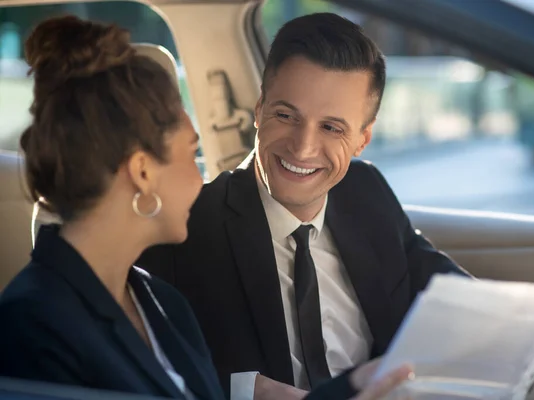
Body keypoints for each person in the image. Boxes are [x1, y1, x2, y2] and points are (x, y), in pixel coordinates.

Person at [136, 11, 534, 400]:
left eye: (332, 128)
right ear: (258, 110)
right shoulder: (186, 230)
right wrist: (248, 391)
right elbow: (150, 366)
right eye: (285, 115)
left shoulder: (366, 193)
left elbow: (456, 304)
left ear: (363, 138)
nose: (302, 147)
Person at [0, 15, 414, 400]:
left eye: (330, 126)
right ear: (143, 172)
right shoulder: (32, 326)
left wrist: (355, 384)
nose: (204, 179)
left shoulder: (157, 303)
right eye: (191, 154)